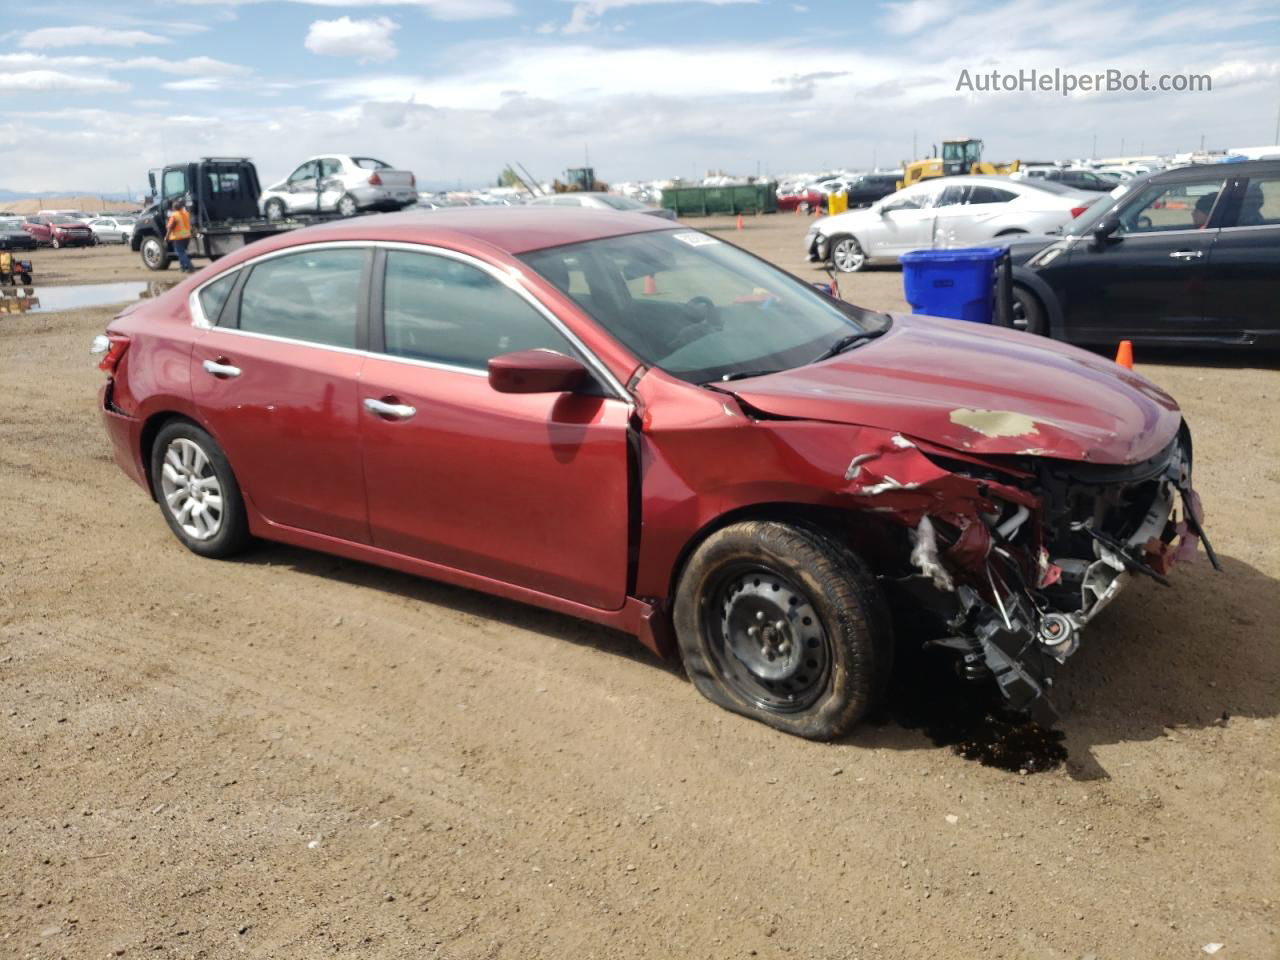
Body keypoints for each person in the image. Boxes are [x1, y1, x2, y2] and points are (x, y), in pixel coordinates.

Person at [166, 198, 194, 272]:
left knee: (180, 253)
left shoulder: (174, 215)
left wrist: (167, 237)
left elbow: (170, 227)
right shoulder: (186, 213)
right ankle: (182, 267)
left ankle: (190, 266)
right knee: (182, 252)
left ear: (174, 208)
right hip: (186, 235)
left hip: (178, 237)